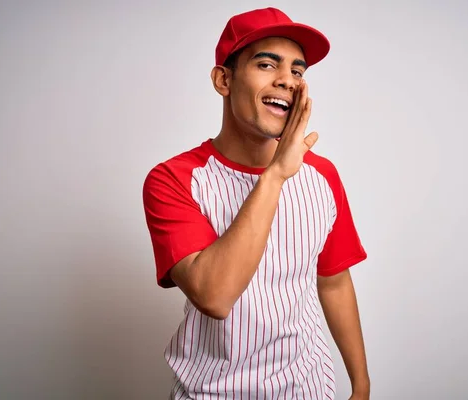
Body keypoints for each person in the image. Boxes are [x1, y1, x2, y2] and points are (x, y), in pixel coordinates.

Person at [143, 7, 370, 399]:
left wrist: (361, 386)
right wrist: (277, 174)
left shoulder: (323, 176)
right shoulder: (172, 180)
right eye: (267, 64)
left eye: (297, 72)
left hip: (309, 389)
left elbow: (333, 283)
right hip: (212, 393)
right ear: (223, 79)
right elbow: (214, 295)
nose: (287, 80)